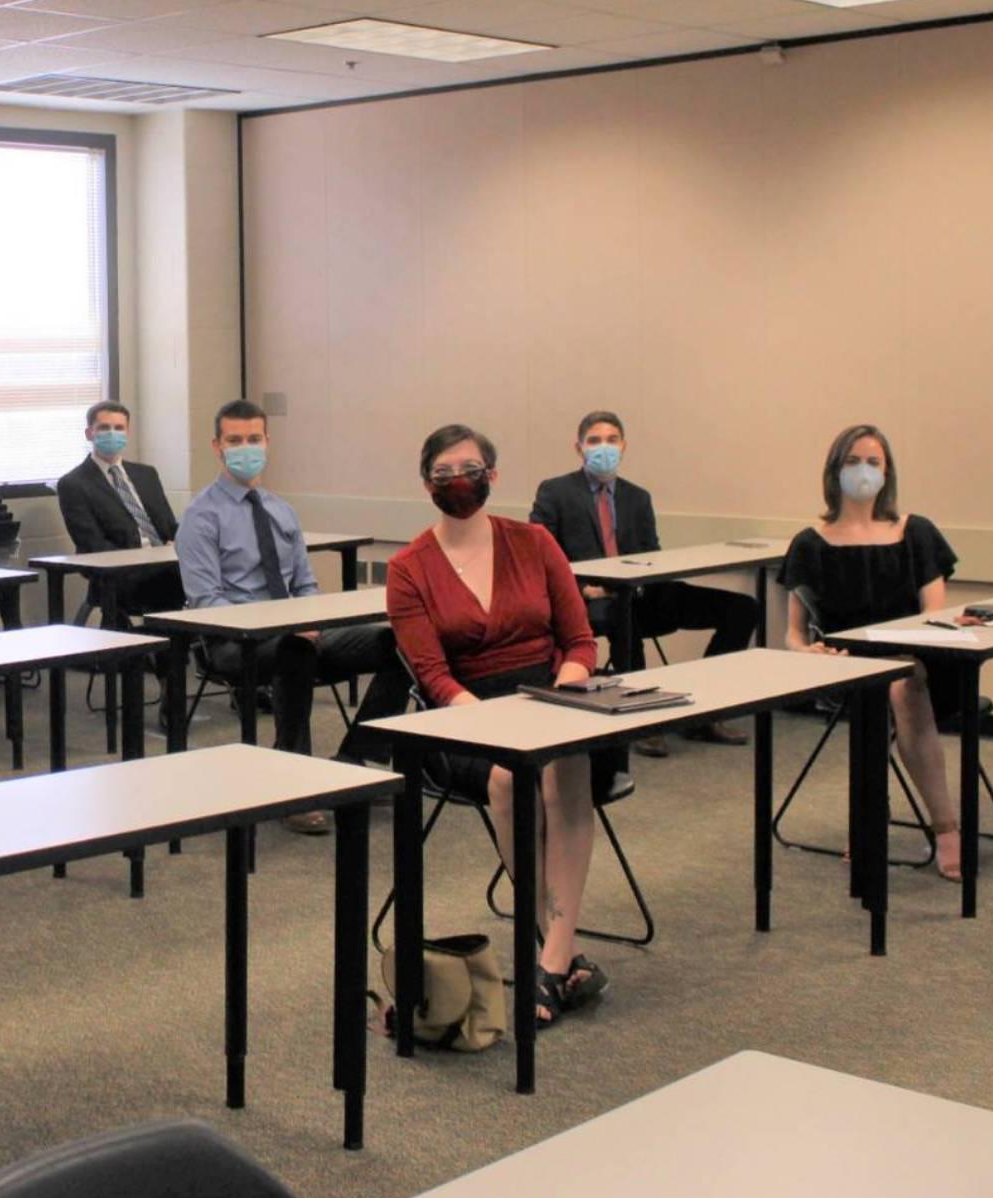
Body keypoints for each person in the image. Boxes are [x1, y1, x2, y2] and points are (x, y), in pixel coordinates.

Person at [385, 424, 609, 1027]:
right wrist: (488, 721)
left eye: (471, 468)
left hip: (550, 697)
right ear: (426, 483)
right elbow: (432, 675)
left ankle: (554, 959)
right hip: (464, 719)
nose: (459, 480)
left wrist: (566, 684)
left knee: (568, 760)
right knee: (511, 778)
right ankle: (556, 946)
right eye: (445, 472)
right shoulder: (408, 569)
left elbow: (579, 640)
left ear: (493, 475)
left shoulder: (534, 542)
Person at [175, 399, 389, 830]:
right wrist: (281, 628)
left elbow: (305, 585)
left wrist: (309, 619)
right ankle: (293, 785)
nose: (245, 448)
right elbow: (205, 601)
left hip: (295, 636)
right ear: (217, 447)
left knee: (396, 642)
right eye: (234, 440)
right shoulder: (201, 516)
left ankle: (357, 756)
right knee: (295, 651)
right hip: (234, 644)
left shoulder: (280, 510)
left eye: (253, 439)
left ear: (267, 441)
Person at [781, 424, 963, 881]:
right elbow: (793, 635)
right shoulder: (810, 542)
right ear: (834, 470)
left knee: (904, 685)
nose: (863, 471)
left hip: (918, 662)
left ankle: (946, 829)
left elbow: (932, 616)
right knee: (877, 690)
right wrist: (811, 655)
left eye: (873, 462)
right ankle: (869, 821)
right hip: (848, 667)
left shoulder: (916, 532)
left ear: (887, 472)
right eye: (853, 462)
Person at [531, 410, 753, 756]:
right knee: (624, 616)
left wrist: (638, 584)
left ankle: (707, 714)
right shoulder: (556, 491)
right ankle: (640, 721)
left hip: (641, 593)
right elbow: (540, 557)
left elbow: (652, 554)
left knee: (741, 608)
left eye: (611, 440)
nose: (603, 447)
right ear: (579, 448)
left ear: (624, 446)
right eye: (594, 440)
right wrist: (583, 589)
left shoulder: (638, 497)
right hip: (588, 602)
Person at [55, 399, 183, 618]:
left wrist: (182, 542)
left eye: (119, 428)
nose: (112, 433)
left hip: (167, 566)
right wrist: (147, 559)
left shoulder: (146, 474)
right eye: (104, 427)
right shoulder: (74, 483)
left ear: (127, 432)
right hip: (121, 574)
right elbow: (92, 544)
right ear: (89, 433)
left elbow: (169, 526)